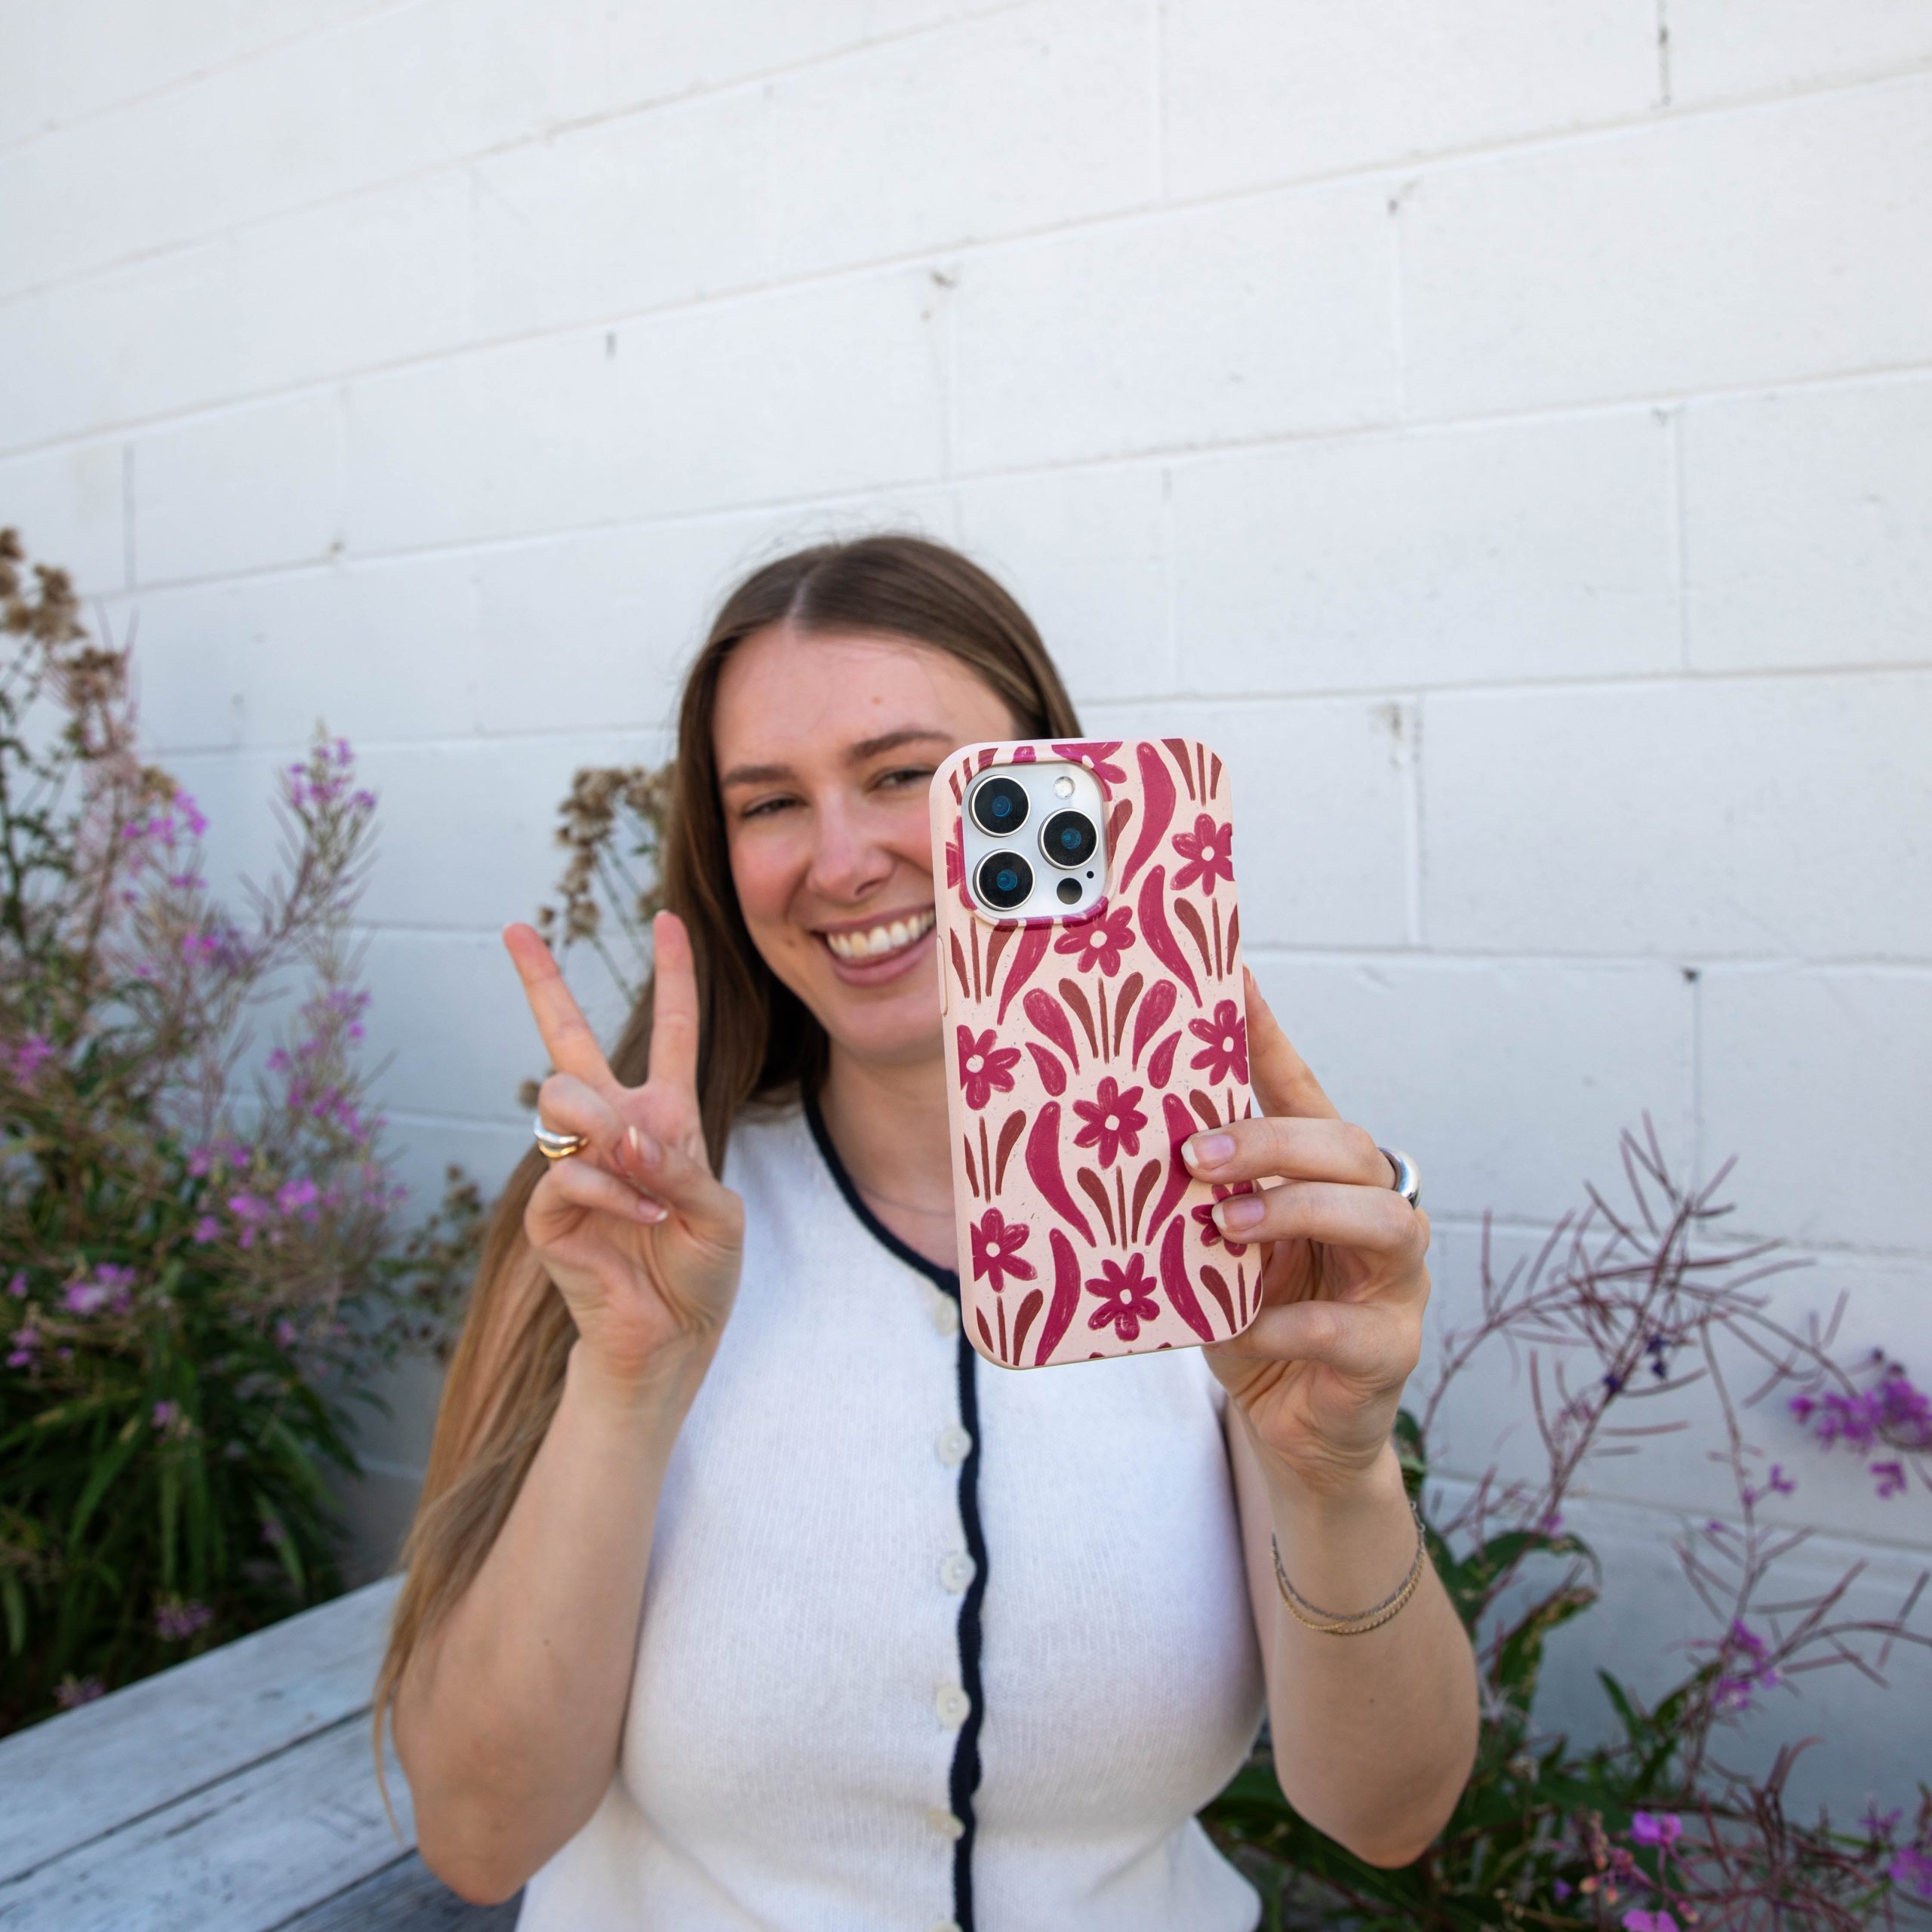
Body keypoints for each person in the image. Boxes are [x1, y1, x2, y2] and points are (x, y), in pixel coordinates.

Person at [377, 534, 1478, 1930]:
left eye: (904, 776)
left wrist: (1337, 1474)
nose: (841, 861)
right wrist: (628, 1381)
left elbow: (1390, 1814)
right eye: (769, 803)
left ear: (1057, 790)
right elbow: (480, 1837)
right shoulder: (628, 1238)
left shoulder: (1229, 1237)